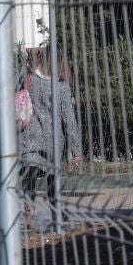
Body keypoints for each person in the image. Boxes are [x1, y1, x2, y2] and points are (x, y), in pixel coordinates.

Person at [19, 46, 81, 231]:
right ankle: (55, 211)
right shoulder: (61, 86)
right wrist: (76, 149)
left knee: (28, 173)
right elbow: (69, 119)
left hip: (29, 136)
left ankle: (28, 206)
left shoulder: (29, 79)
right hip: (53, 140)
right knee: (53, 177)